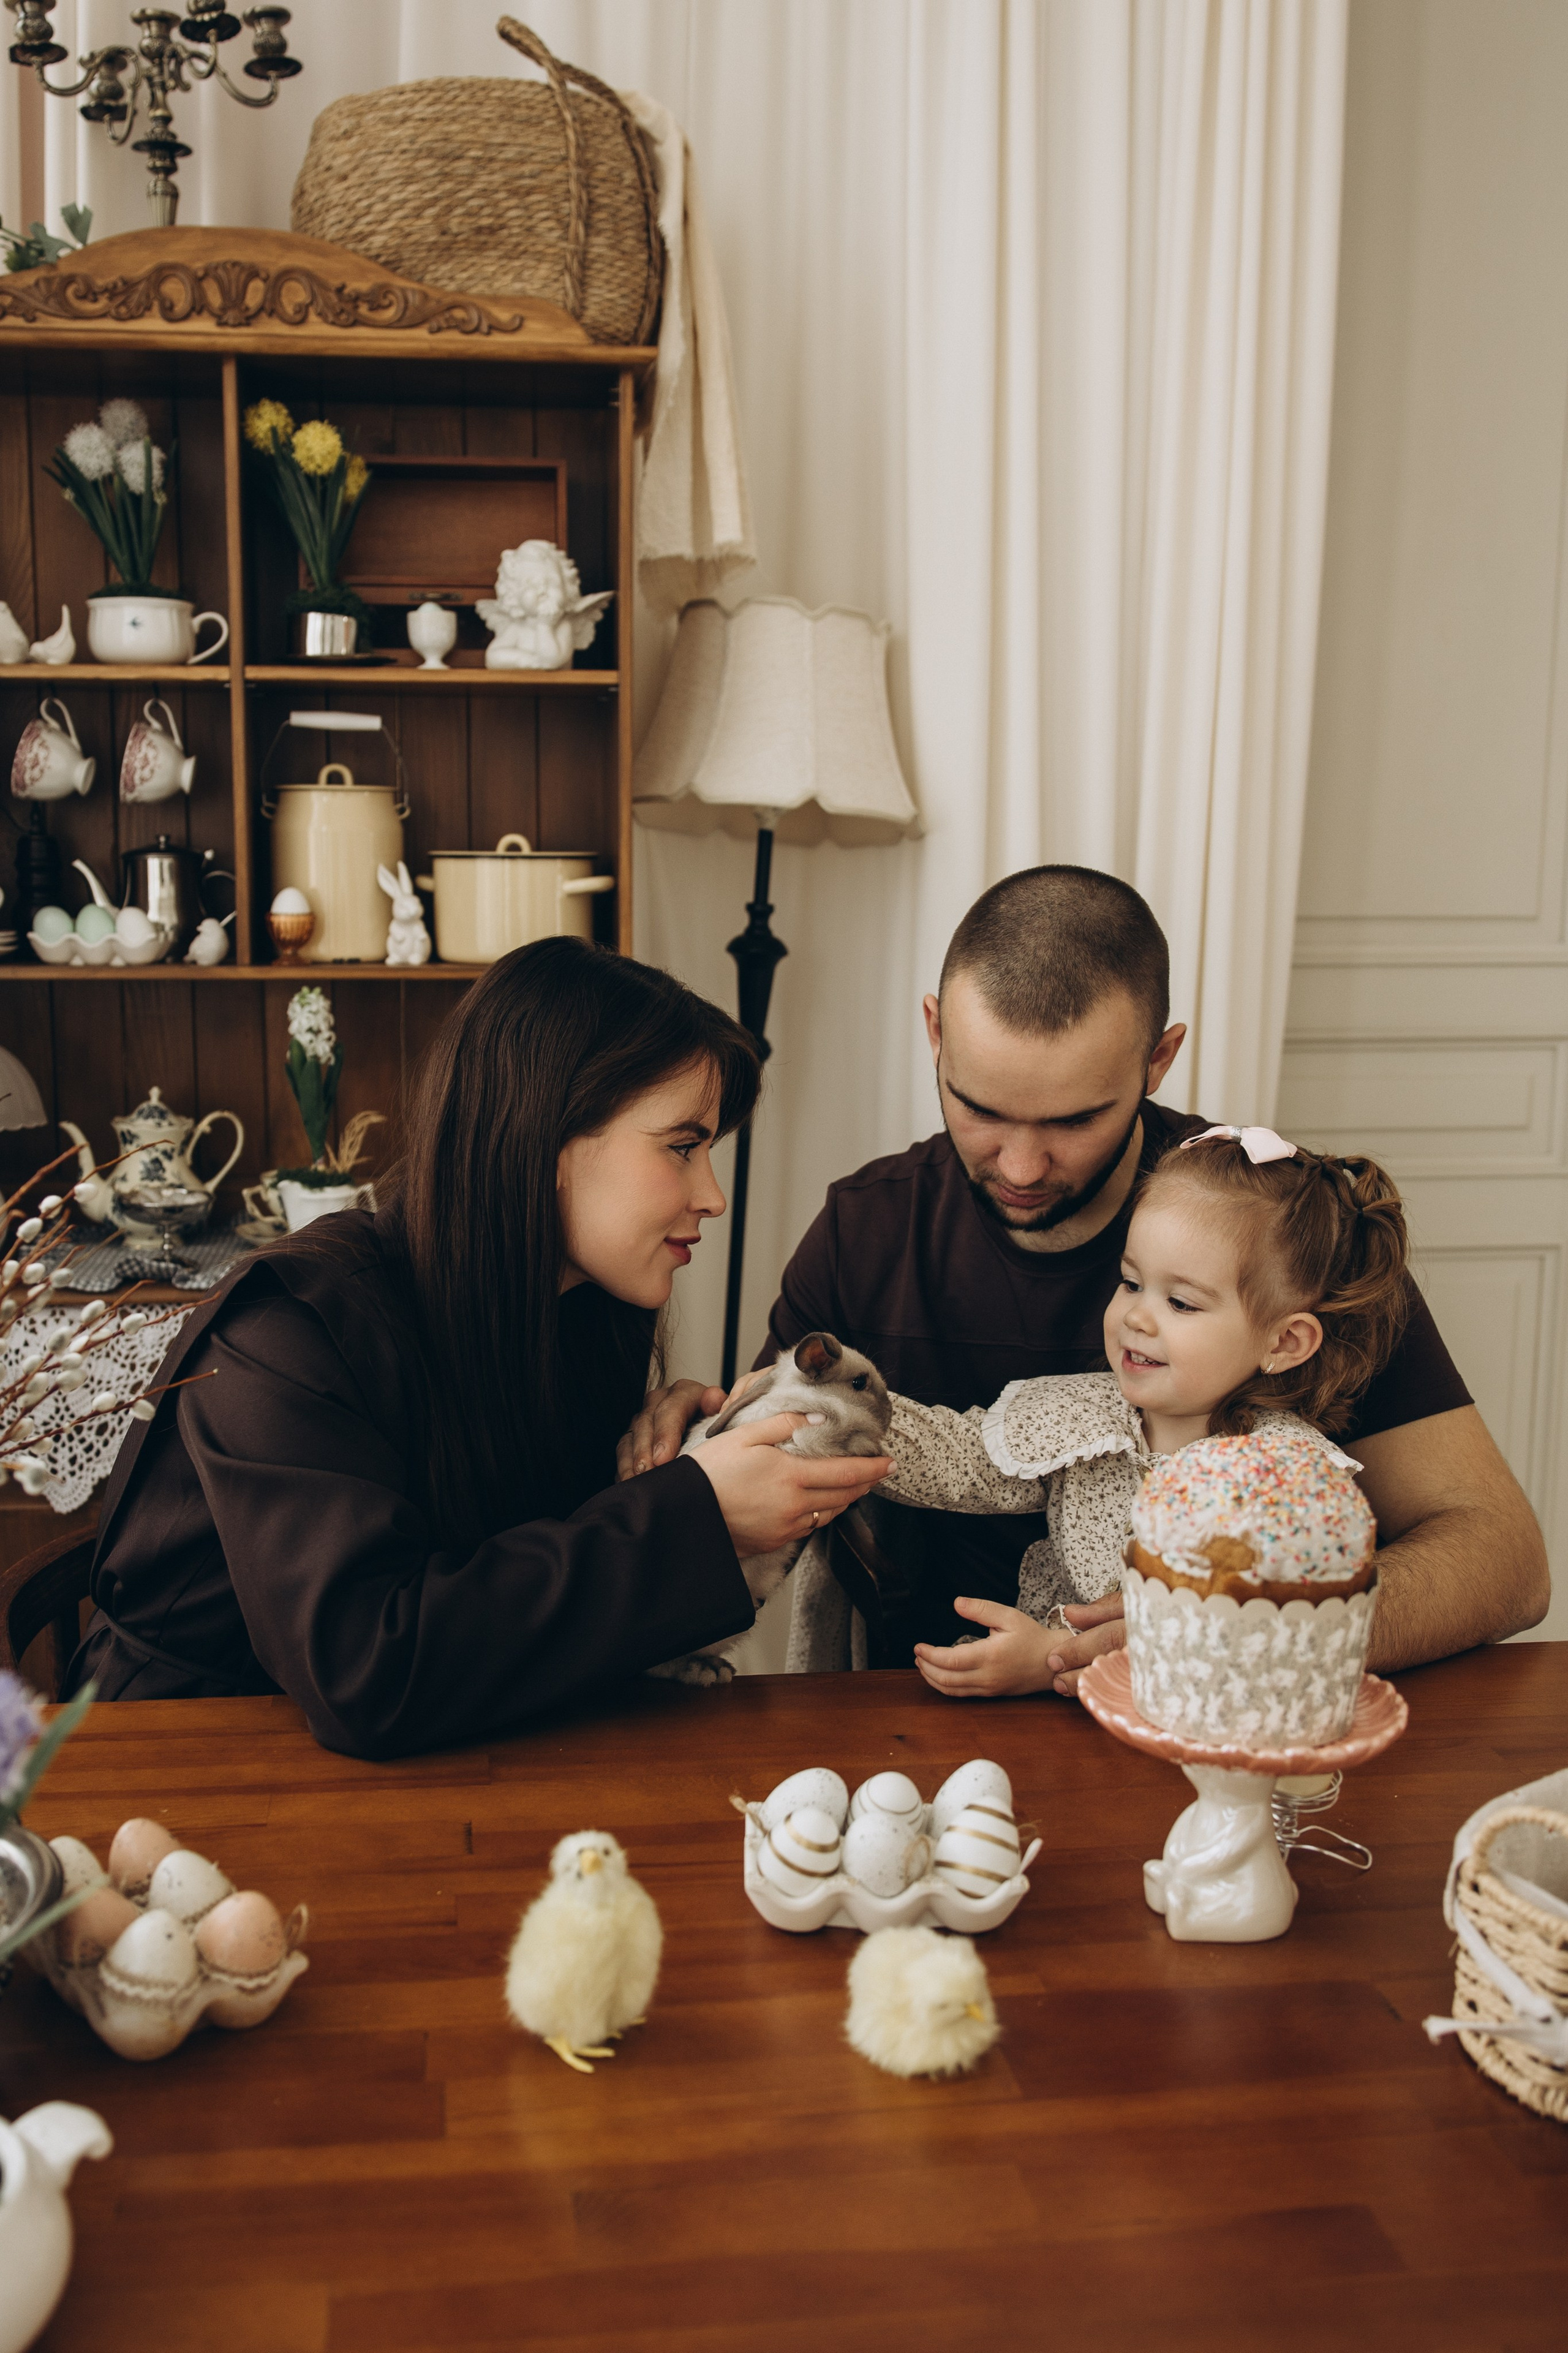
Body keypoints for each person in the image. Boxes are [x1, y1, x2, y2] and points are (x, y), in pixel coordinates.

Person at [621, 867, 1549, 1684]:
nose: (1021, 1167)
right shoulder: (866, 1229)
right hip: (920, 1707)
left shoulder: (1268, 1229)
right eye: (980, 1108)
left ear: (1159, 1058)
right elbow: (776, 1472)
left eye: (1073, 1121)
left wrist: (1219, 1639)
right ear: (935, 1033)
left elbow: (1503, 1561)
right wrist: (704, 1439)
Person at [67, 941, 890, 1758]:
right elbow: (370, 1672)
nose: (711, 1195)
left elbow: (518, 1591)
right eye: (682, 1145)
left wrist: (667, 1462)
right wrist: (690, 1516)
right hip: (177, 1764)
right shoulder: (285, 1331)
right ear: (547, 1137)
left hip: (451, 1761)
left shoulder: (578, 1312)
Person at [867, 1124, 1412, 1696]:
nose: (1136, 1316)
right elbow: (959, 1459)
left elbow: (1244, 1641)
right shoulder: (1083, 1417)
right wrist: (845, 1417)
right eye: (1131, 1283)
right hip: (1050, 1722)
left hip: (1188, 1732)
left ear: (1284, 1342)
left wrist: (1051, 1659)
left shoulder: (1285, 1479)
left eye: (1180, 1302)